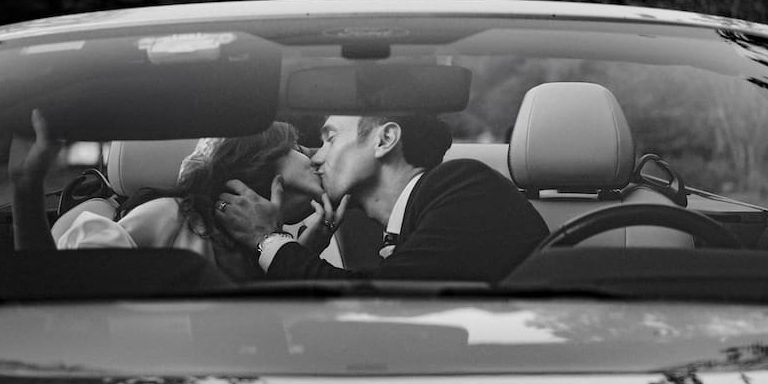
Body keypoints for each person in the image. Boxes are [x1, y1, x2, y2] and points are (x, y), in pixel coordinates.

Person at [216, 114, 549, 281]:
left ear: (384, 139)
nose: (317, 158)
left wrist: (269, 241)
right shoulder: (424, 210)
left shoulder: (463, 184)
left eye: (330, 139)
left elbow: (378, 303)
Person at [10, 109, 332, 281]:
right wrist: (26, 187)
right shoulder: (173, 215)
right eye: (299, 148)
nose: (316, 156)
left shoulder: (289, 242)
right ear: (259, 158)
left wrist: (288, 262)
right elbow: (62, 289)